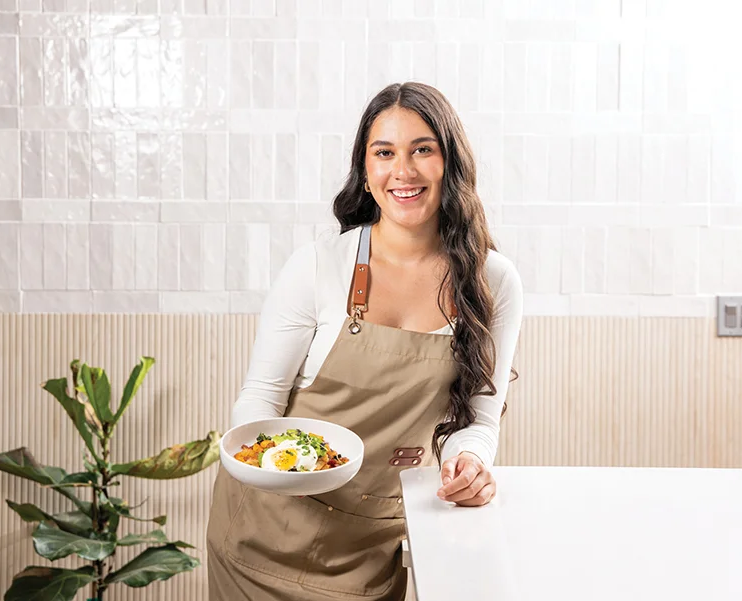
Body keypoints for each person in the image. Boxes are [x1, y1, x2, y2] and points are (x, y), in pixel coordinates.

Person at [206, 81, 523, 601]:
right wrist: (275, 465)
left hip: (370, 547)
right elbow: (259, 400)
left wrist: (468, 465)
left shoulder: (493, 281)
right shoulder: (317, 265)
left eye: (423, 149)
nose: (404, 170)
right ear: (366, 169)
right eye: (384, 153)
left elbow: (477, 423)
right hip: (261, 537)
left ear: (451, 163)